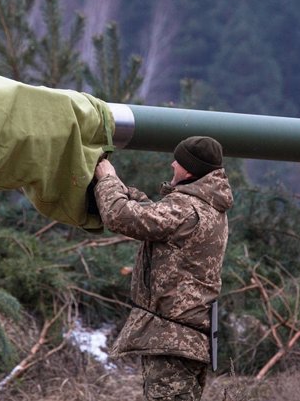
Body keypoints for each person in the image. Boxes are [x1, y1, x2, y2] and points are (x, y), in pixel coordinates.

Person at [93, 136, 233, 401]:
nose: (172, 164)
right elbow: (153, 214)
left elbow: (120, 217)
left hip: (173, 341)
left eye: (178, 161)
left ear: (190, 170)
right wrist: (122, 190)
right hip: (186, 341)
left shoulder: (186, 207)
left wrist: (107, 179)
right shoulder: (209, 206)